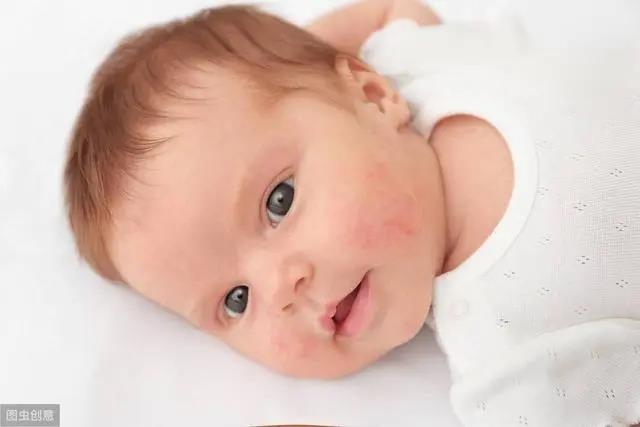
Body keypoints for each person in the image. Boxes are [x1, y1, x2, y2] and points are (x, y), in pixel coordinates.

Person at [63, 0, 640, 425]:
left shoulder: (412, 68)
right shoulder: (507, 350)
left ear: (370, 94)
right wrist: (308, 88)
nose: (280, 289)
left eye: (279, 202)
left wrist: (292, 69)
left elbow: (388, 8)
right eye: (236, 300)